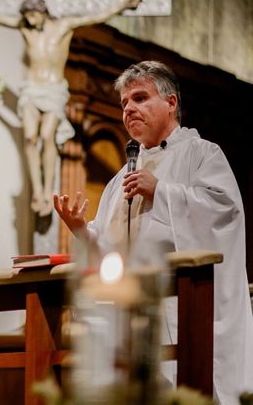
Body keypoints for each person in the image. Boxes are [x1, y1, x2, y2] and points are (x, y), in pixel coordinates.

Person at [53, 61, 253, 404]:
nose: (129, 108)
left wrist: (161, 191)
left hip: (184, 306)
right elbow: (111, 249)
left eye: (140, 98)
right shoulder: (121, 178)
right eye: (124, 103)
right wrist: (81, 231)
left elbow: (225, 212)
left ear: (171, 103)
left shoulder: (202, 154)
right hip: (131, 316)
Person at [0, 0, 141, 217]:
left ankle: (48, 189)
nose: (30, 21)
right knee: (30, 138)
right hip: (32, 89)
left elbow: (96, 15)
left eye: (33, 16)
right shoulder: (26, 29)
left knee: (48, 135)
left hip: (53, 90)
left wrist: (122, 5)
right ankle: (37, 191)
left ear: (43, 12)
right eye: (27, 17)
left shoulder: (63, 27)